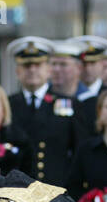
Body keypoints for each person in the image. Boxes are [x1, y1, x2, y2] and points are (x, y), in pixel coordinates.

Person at [8, 36, 78, 188]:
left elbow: (78, 150)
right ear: (17, 71)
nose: (32, 70)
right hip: (17, 190)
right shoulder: (8, 104)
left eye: (38, 65)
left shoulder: (67, 103)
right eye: (27, 65)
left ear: (48, 69)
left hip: (56, 189)